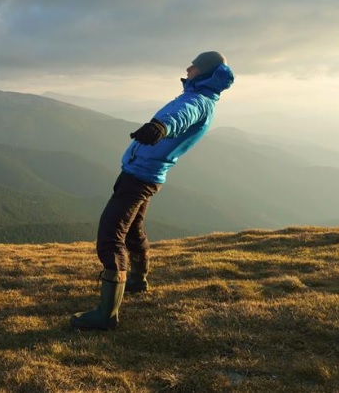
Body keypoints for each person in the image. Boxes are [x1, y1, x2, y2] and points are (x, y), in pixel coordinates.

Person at [70, 51, 235, 330]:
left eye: (194, 65)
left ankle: (106, 315)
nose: (188, 67)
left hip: (140, 176)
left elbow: (182, 115)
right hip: (147, 174)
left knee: (110, 237)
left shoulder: (198, 100)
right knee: (133, 230)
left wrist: (161, 126)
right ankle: (138, 280)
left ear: (205, 72)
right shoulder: (202, 96)